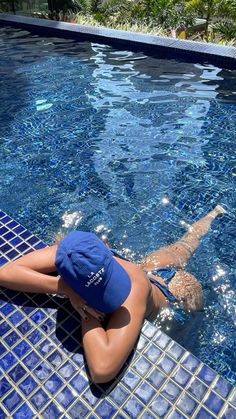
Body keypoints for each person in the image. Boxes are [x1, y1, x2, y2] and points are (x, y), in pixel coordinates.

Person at [0, 205, 225, 383]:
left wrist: (86, 312)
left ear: (104, 249)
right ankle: (214, 213)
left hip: (175, 292)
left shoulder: (133, 294)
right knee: (183, 247)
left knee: (187, 246)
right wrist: (65, 288)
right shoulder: (74, 254)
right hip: (147, 271)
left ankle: (214, 214)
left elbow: (102, 369)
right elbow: (5, 273)